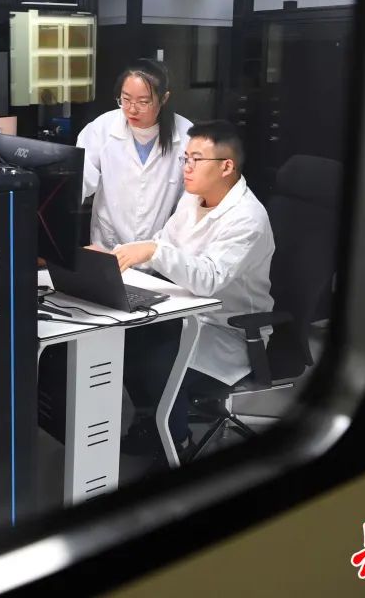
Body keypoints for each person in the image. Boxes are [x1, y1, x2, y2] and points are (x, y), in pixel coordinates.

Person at [115, 119, 275, 457]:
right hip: (186, 315)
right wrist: (117, 256)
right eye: (185, 158)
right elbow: (163, 244)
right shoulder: (193, 200)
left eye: (196, 160)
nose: (186, 168)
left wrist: (153, 251)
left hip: (231, 330)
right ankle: (154, 424)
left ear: (226, 167)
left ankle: (177, 444)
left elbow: (209, 278)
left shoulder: (248, 219)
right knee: (121, 343)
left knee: (155, 364)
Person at [77, 59, 194, 251]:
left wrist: (165, 247)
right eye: (125, 99)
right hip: (108, 247)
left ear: (164, 98)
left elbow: (190, 202)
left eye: (143, 102)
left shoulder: (187, 135)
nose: (132, 109)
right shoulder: (102, 128)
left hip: (158, 250)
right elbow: (79, 181)